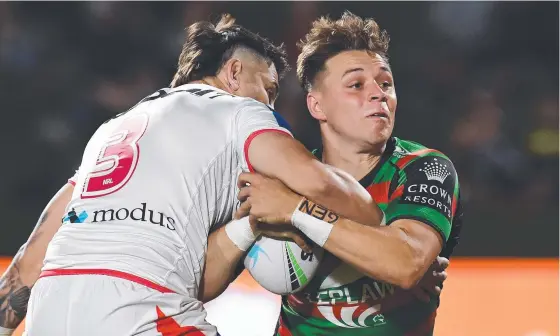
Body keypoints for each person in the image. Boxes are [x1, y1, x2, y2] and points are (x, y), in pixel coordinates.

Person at [0, 14, 383, 336]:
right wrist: (377, 221)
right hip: (137, 308)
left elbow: (29, 262)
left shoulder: (113, 131)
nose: (271, 103)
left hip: (49, 314)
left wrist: (246, 226)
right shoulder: (239, 112)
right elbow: (319, 184)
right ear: (234, 73)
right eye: (269, 88)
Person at [234, 12, 464, 335]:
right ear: (317, 107)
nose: (378, 94)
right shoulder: (284, 178)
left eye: (386, 83)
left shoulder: (426, 169)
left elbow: (405, 263)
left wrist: (299, 212)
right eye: (356, 84)